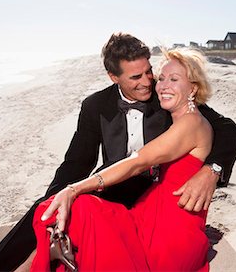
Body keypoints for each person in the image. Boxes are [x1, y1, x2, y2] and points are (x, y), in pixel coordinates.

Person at [0, 33, 236, 271]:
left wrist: (212, 169)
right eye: (135, 77)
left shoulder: (168, 93)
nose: (148, 82)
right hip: (116, 187)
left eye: (149, 72)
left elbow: (226, 129)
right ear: (114, 77)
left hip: (153, 196)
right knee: (49, 207)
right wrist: (60, 192)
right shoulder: (96, 105)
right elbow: (77, 161)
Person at [31, 47, 216, 271]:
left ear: (193, 88)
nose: (163, 85)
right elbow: (76, 161)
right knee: (73, 211)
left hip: (169, 233)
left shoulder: (191, 123)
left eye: (174, 79)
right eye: (162, 78)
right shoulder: (182, 118)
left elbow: (138, 161)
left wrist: (74, 188)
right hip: (149, 214)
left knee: (78, 210)